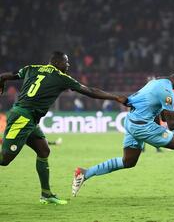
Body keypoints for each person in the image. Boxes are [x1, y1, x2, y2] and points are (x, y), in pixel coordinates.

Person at [0, 51, 128, 205]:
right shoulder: (61, 78)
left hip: (29, 119)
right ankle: (46, 195)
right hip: (22, 118)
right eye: (66, 62)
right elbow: (90, 92)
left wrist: (1, 83)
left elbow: (5, 76)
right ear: (57, 62)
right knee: (5, 159)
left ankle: (46, 195)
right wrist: (115, 97)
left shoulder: (31, 68)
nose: (68, 65)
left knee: (43, 150)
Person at [72, 65, 174, 200]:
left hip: (132, 121)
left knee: (128, 161)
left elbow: (166, 116)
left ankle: (85, 173)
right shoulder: (167, 92)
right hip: (143, 126)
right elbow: (172, 124)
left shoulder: (159, 81)